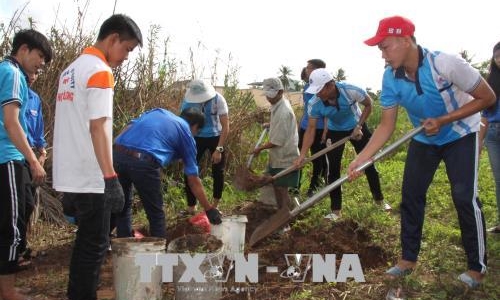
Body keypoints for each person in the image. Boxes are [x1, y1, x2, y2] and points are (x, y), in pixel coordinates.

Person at [347, 15, 495, 288]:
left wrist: (443, 121)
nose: (382, 55)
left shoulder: (446, 64)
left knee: (464, 196)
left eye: (385, 46)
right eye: (379, 49)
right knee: (411, 195)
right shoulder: (390, 77)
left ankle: (477, 267)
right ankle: (408, 259)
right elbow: (386, 125)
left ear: (405, 40)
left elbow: (488, 98)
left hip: (461, 133)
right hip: (425, 140)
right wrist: (361, 158)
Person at [52, 14, 142, 300]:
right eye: (126, 49)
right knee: (95, 246)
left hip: (70, 173)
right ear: (113, 38)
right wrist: (110, 176)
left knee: (86, 242)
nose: (126, 57)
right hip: (91, 176)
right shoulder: (100, 70)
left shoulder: (70, 70)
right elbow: (98, 126)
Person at [294, 68, 390, 221]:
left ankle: (380, 201)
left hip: (356, 127)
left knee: (369, 164)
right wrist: (303, 154)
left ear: (331, 85)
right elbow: (311, 129)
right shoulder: (315, 103)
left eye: (320, 90)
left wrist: (359, 125)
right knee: (333, 170)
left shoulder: (350, 90)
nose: (317, 94)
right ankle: (336, 211)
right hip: (335, 131)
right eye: (315, 91)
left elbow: (369, 104)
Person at [113, 107, 222, 238]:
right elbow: (193, 181)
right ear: (195, 127)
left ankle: (124, 251)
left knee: (124, 207)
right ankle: (159, 255)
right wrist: (209, 209)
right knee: (156, 214)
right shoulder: (186, 133)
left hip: (117, 154)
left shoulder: (158, 112)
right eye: (197, 132)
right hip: (144, 162)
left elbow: (129, 126)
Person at [0, 29, 52, 300]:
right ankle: (7, 292)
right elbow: (11, 122)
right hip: (7, 157)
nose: (41, 63)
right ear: (23, 49)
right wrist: (33, 161)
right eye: (40, 56)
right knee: (11, 226)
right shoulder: (12, 73)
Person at [180, 79, 229, 213]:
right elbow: (184, 125)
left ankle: (215, 205)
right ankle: (191, 207)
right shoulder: (187, 100)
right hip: (195, 138)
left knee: (218, 171)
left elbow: (225, 126)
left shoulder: (218, 99)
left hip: (215, 137)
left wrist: (219, 149)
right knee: (189, 170)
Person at [252, 78, 300, 213]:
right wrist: (270, 124)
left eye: (271, 95)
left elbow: (276, 141)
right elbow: (280, 125)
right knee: (276, 185)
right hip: (278, 155)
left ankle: (286, 217)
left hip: (285, 156)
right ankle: (282, 211)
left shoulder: (283, 111)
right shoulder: (278, 104)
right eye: (267, 94)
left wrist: (259, 149)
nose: (268, 98)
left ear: (280, 92)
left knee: (281, 188)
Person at [299, 59, 328, 197]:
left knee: (318, 157)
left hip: (319, 128)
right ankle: (295, 185)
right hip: (305, 126)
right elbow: (306, 109)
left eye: (309, 67)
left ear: (317, 70)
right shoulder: (307, 88)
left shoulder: (324, 88)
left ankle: (314, 186)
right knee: (299, 155)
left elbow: (328, 110)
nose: (306, 69)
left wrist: (326, 130)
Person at [479, 41, 500, 234]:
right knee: (499, 179)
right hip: (493, 133)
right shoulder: (490, 81)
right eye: (497, 56)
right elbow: (484, 114)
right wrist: (479, 141)